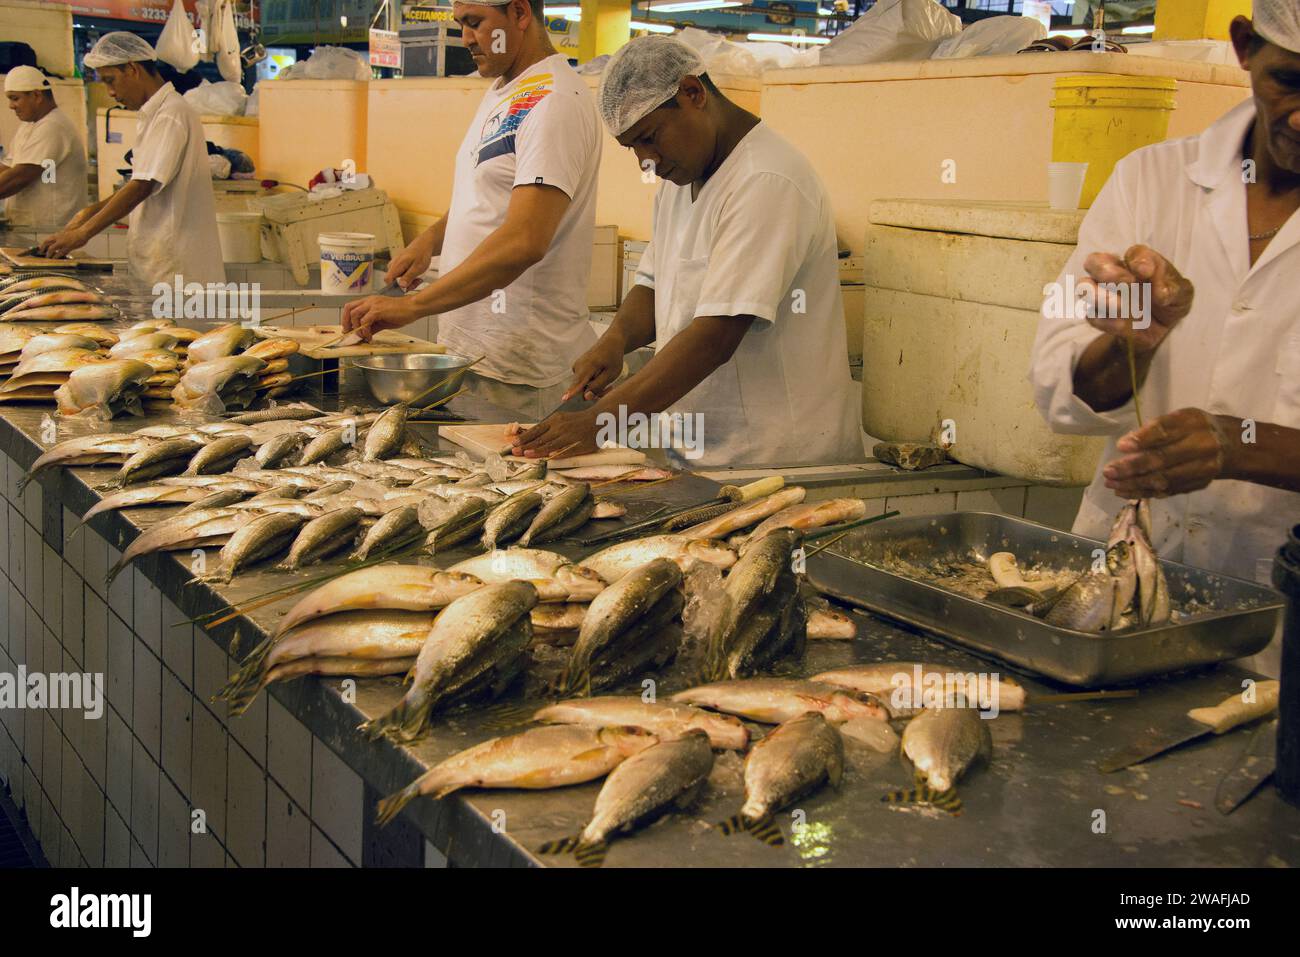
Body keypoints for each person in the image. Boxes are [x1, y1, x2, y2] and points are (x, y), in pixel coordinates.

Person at [1029, 3, 1300, 676]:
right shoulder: (1150, 181)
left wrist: (1239, 446)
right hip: (1112, 601)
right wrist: (1135, 344)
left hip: (1276, 636)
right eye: (1289, 81)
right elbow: (1062, 390)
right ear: (1244, 47)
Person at [512, 36, 862, 468]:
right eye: (633, 149)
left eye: (650, 137)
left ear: (693, 93)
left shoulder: (766, 180)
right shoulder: (680, 179)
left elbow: (714, 338)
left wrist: (597, 424)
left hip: (776, 462)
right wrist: (616, 340)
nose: (648, 160)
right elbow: (656, 282)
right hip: (705, 456)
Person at [340, 0, 601, 420]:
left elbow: (524, 241)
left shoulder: (555, 102)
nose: (465, 38)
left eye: (475, 23)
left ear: (519, 13)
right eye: (460, 24)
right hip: (474, 354)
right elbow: (486, 196)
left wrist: (412, 307)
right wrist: (430, 241)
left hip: (517, 370)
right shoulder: (505, 90)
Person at [40, 32, 223, 288]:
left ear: (133, 69)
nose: (111, 92)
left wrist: (84, 233)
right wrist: (87, 213)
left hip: (176, 271)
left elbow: (141, 187)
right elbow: (138, 182)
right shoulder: (154, 115)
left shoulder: (171, 115)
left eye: (110, 80)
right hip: (158, 266)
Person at [0, 66, 88, 229]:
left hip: (51, 229)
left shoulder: (53, 126)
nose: (11, 106)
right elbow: (7, 168)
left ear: (36, 95)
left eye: (15, 98)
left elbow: (19, 177)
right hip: (30, 226)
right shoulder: (29, 126)